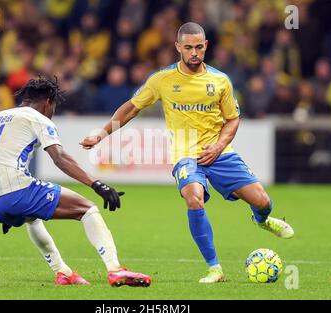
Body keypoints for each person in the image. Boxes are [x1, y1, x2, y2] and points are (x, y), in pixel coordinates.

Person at [80, 22, 294, 284]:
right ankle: (214, 268)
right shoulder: (162, 80)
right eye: (189, 47)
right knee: (194, 198)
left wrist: (217, 146)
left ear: (206, 46)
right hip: (185, 155)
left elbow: (233, 119)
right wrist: (101, 134)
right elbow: (131, 108)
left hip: (220, 152)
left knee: (262, 201)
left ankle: (262, 220)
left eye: (199, 47)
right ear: (178, 47)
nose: (194, 52)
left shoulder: (220, 80)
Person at [0, 76, 151, 287]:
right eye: (53, 107)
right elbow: (60, 158)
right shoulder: (38, 118)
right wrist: (97, 184)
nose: (52, 113)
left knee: (32, 218)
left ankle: (63, 272)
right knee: (87, 209)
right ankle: (115, 269)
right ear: (47, 102)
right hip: (15, 191)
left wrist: (8, 208)